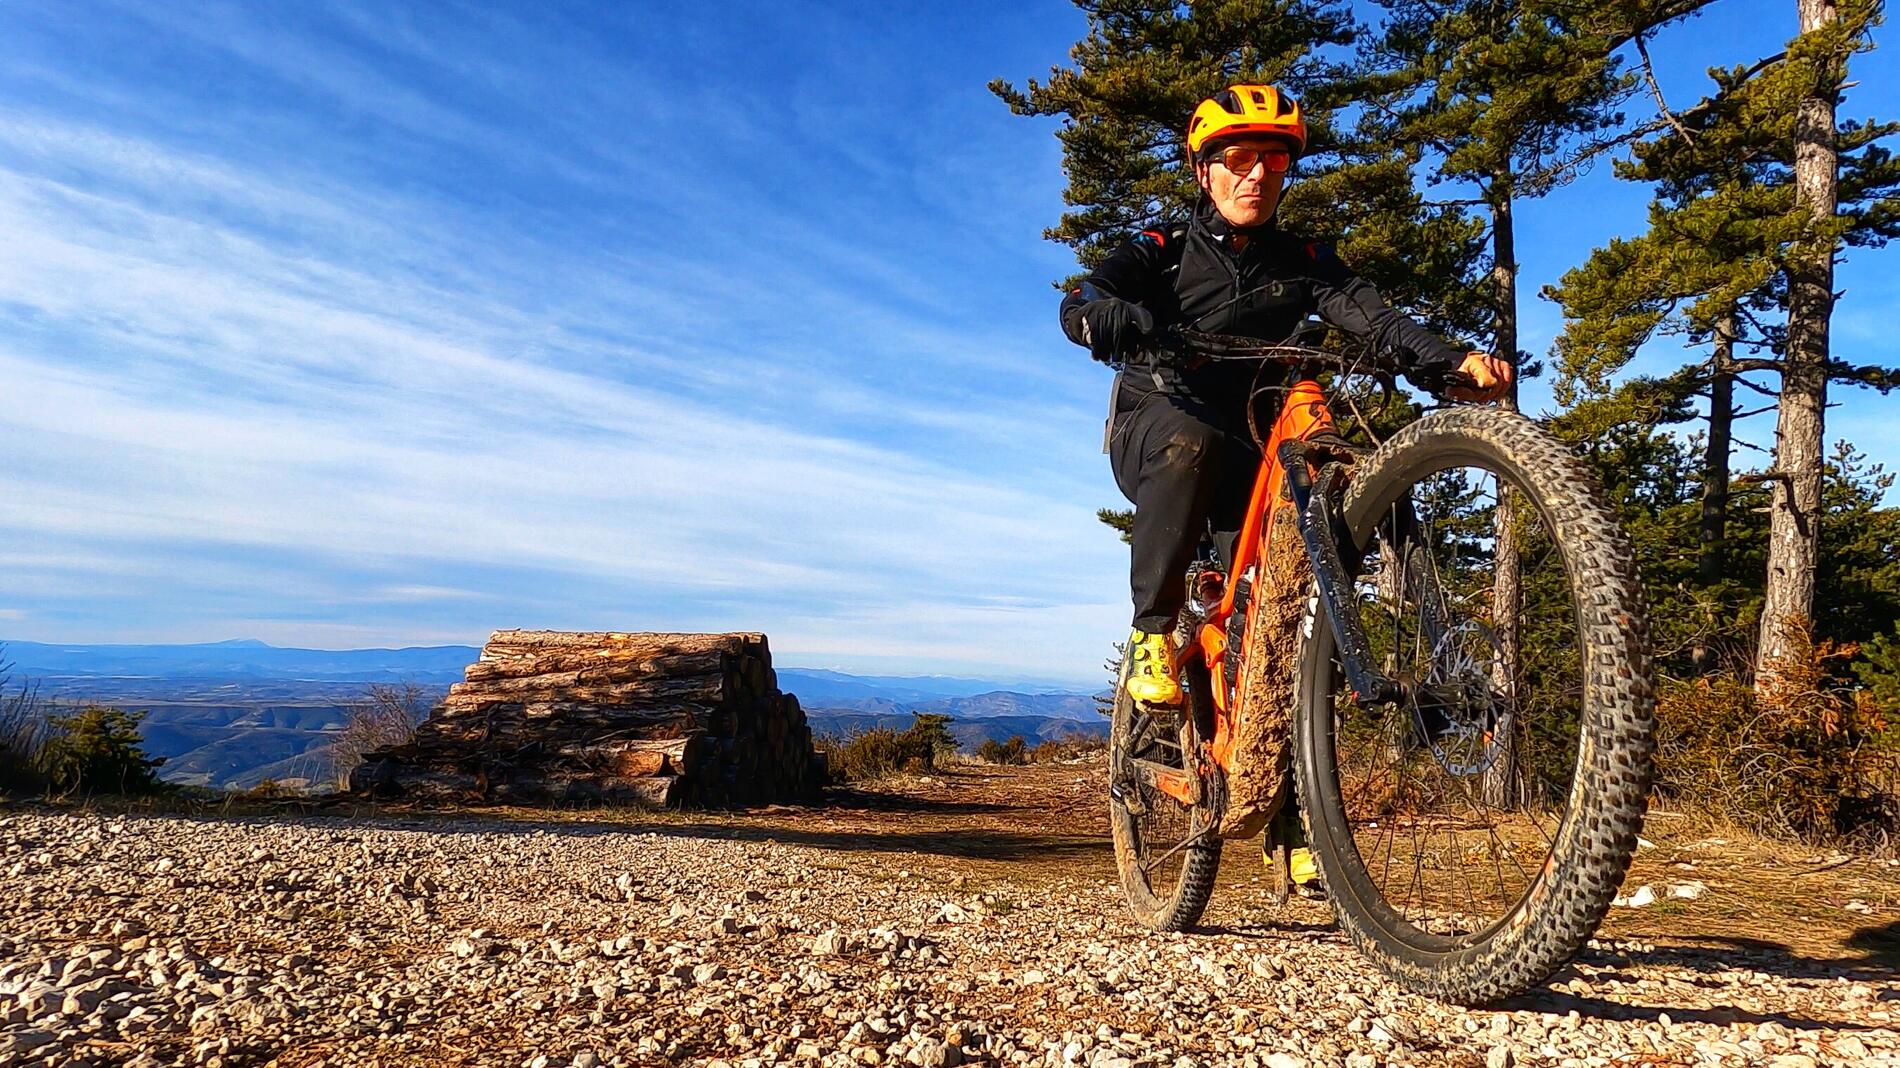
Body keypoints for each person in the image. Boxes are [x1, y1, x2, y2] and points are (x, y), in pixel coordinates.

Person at [1059, 84, 1513, 709]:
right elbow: (1087, 299)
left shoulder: (1303, 261)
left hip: (1251, 440)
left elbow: (1377, 322)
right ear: (1202, 170)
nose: (1257, 176)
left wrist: (1448, 361)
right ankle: (1153, 630)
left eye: (1273, 161)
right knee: (1193, 441)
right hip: (1161, 421)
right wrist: (1108, 318)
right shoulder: (1160, 253)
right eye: (1238, 159)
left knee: (1296, 524)